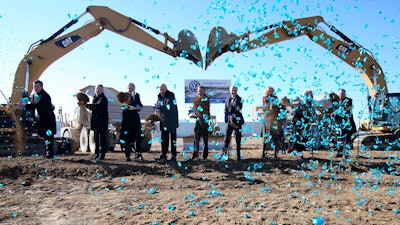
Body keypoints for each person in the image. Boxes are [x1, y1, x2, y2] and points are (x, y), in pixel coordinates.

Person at [23, 80, 57, 159]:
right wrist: (24, 102)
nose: (35, 88)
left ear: (41, 87)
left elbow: (38, 105)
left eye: (37, 87)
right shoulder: (34, 96)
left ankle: (49, 155)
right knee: (44, 138)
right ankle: (46, 154)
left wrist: (26, 106)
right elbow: (31, 102)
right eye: (34, 87)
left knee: (49, 138)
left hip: (49, 120)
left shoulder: (45, 96)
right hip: (41, 120)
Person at [261, 86, 286, 159]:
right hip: (266, 118)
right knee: (265, 136)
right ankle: (263, 153)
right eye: (269, 91)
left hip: (273, 119)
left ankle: (275, 153)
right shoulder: (264, 99)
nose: (270, 92)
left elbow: (279, 107)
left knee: (275, 136)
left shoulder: (276, 98)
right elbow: (264, 108)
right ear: (267, 92)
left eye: (271, 91)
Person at [120, 83, 144, 161]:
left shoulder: (137, 95)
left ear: (134, 88)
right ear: (127, 88)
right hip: (127, 119)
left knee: (138, 136)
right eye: (129, 88)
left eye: (132, 88)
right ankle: (127, 155)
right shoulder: (124, 95)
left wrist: (140, 107)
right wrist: (128, 107)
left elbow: (140, 104)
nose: (131, 89)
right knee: (127, 138)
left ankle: (138, 154)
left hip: (135, 119)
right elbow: (122, 106)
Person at [155, 84, 179, 161]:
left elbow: (169, 105)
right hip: (163, 120)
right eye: (160, 89)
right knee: (164, 138)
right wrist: (156, 108)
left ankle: (173, 155)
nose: (161, 91)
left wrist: (159, 107)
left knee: (173, 139)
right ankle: (163, 154)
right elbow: (158, 105)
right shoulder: (159, 96)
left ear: (166, 89)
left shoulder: (171, 95)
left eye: (163, 89)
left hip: (171, 120)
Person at [289, 90, 317, 156]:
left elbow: (312, 113)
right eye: (307, 94)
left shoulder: (311, 104)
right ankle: (294, 149)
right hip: (297, 121)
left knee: (302, 138)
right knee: (296, 136)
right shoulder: (300, 102)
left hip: (304, 122)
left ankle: (299, 151)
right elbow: (295, 111)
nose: (308, 96)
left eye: (310, 94)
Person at [86, 84, 109, 160]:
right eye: (96, 89)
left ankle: (102, 155)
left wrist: (89, 106)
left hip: (102, 122)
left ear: (102, 90)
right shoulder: (94, 98)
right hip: (95, 122)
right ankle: (96, 154)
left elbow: (98, 106)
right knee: (96, 139)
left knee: (102, 139)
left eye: (99, 89)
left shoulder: (103, 98)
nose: (97, 90)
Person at [332, 88, 357, 158]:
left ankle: (346, 154)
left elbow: (347, 108)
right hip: (339, 124)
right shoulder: (336, 102)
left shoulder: (348, 100)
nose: (341, 95)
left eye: (343, 93)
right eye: (340, 93)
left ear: (345, 94)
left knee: (347, 140)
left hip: (347, 124)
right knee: (339, 139)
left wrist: (338, 112)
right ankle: (339, 153)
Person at [222, 85, 244, 161]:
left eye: (235, 90)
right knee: (226, 138)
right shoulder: (227, 99)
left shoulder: (239, 99)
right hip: (229, 122)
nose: (233, 91)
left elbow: (239, 108)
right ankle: (224, 154)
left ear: (237, 91)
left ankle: (238, 156)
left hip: (237, 122)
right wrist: (227, 115)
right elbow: (225, 109)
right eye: (232, 90)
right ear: (230, 90)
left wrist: (234, 115)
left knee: (238, 139)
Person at [191, 86, 211, 160]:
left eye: (201, 91)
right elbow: (194, 110)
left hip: (204, 121)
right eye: (199, 91)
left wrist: (198, 113)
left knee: (205, 140)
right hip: (198, 122)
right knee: (196, 138)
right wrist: (192, 114)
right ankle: (195, 154)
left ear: (204, 91)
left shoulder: (206, 99)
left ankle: (204, 156)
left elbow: (204, 110)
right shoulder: (195, 100)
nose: (200, 92)